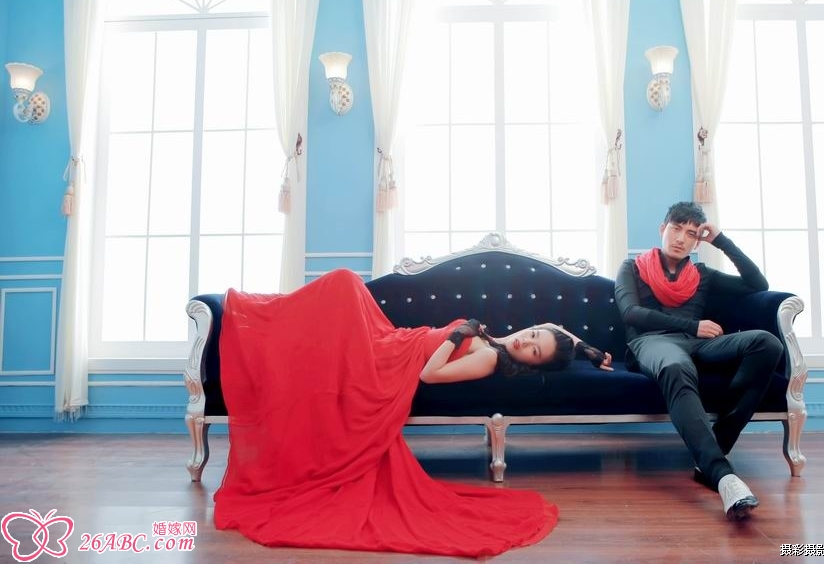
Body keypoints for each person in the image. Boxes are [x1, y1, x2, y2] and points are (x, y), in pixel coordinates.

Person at [213, 268, 611, 557]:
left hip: (390, 363)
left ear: (532, 363)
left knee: (343, 283)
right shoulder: (502, 337)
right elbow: (554, 326)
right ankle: (262, 325)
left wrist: (457, 335)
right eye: (534, 335)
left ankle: (254, 317)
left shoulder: (489, 355)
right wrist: (589, 350)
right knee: (342, 285)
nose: (528, 342)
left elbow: (430, 374)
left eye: (535, 351)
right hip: (391, 339)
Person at [614, 201, 784, 521]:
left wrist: (721, 241)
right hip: (651, 342)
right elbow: (631, 313)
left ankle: (713, 450)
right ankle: (722, 475)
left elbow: (758, 284)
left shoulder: (702, 274)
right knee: (676, 366)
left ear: (697, 241)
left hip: (698, 344)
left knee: (766, 343)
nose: (681, 238)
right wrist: (693, 325)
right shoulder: (632, 268)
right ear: (663, 229)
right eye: (676, 229)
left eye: (691, 234)